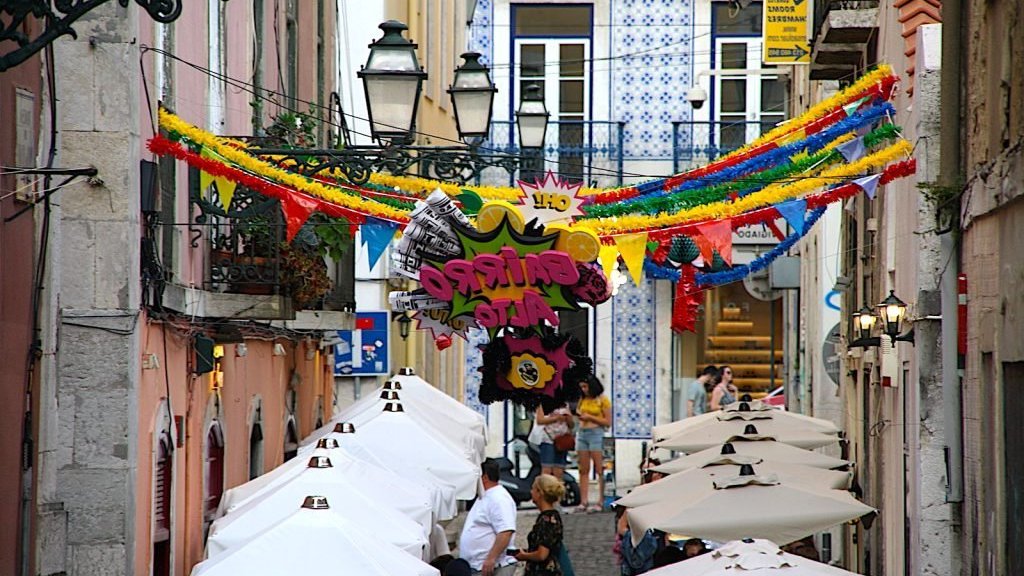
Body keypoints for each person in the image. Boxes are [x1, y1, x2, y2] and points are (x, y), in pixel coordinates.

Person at [458, 458, 518, 576]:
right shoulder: (485, 496)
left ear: (484, 477)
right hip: (478, 566)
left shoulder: (499, 498)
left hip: (492, 566)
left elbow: (505, 531)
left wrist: (491, 558)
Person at [512, 474, 565, 576]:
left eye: (533, 489)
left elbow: (542, 555)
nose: (531, 492)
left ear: (540, 493)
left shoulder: (546, 520)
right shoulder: (552, 516)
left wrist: (524, 556)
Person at [574, 376, 612, 512]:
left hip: (596, 433)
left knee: (599, 468)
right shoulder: (582, 399)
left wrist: (590, 417)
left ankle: (601, 500)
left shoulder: (603, 400)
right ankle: (583, 501)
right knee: (583, 469)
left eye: (586, 387)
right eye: (582, 387)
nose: (584, 390)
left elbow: (608, 422)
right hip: (582, 433)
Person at [536, 403, 574, 478]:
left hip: (562, 440)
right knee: (547, 469)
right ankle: (545, 488)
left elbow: (572, 425)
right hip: (548, 439)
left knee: (559, 470)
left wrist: (568, 418)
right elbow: (539, 420)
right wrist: (556, 418)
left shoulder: (565, 404)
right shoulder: (542, 403)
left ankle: (557, 487)